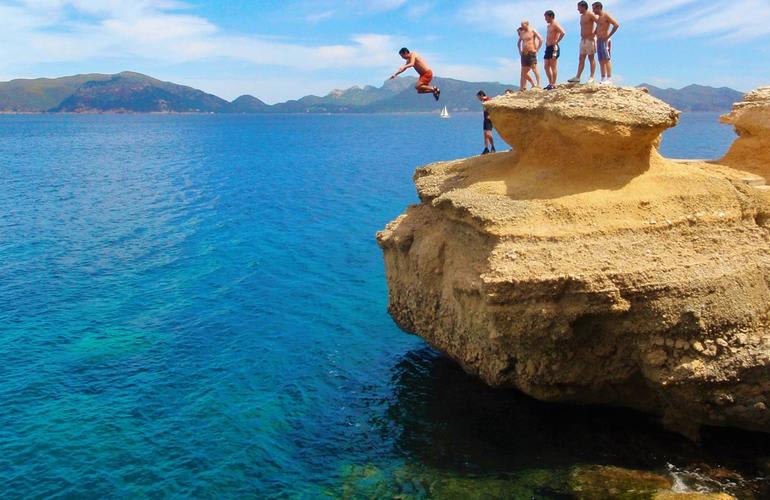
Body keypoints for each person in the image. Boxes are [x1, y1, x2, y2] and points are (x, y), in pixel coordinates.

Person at [567, 1, 598, 84]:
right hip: (583, 39)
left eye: (579, 7)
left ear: (583, 7)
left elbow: (599, 22)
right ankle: (578, 77)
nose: (578, 9)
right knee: (581, 58)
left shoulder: (590, 14)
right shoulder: (581, 16)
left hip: (590, 39)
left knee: (591, 58)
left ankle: (591, 77)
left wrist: (594, 34)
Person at [592, 2, 620, 85]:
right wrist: (594, 34)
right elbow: (597, 28)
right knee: (601, 60)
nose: (593, 10)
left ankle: (609, 78)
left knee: (606, 59)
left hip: (605, 40)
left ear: (598, 8)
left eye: (594, 8)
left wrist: (608, 36)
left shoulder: (605, 15)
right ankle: (603, 78)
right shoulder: (599, 18)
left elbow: (616, 24)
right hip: (599, 40)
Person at [517, 20, 543, 91]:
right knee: (523, 72)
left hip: (531, 52)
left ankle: (538, 84)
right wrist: (520, 51)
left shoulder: (532, 31)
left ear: (527, 24)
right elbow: (518, 43)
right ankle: (530, 85)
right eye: (521, 25)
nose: (522, 26)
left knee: (534, 68)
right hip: (524, 54)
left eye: (523, 25)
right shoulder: (522, 33)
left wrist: (537, 49)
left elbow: (540, 39)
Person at [543, 10, 566, 90]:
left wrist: (557, 41)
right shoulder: (548, 26)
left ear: (551, 16)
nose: (545, 19)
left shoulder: (555, 24)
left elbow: (563, 32)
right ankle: (550, 83)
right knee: (546, 66)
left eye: (546, 17)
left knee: (553, 65)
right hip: (548, 47)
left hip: (553, 47)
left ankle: (553, 83)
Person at [476, 91, 496, 155]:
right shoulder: (484, 101)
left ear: (481, 95)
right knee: (485, 134)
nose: (478, 98)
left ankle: (493, 147)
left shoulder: (488, 100)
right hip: (485, 120)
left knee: (488, 134)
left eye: (478, 97)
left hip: (489, 120)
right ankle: (486, 148)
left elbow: (493, 108)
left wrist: (491, 115)